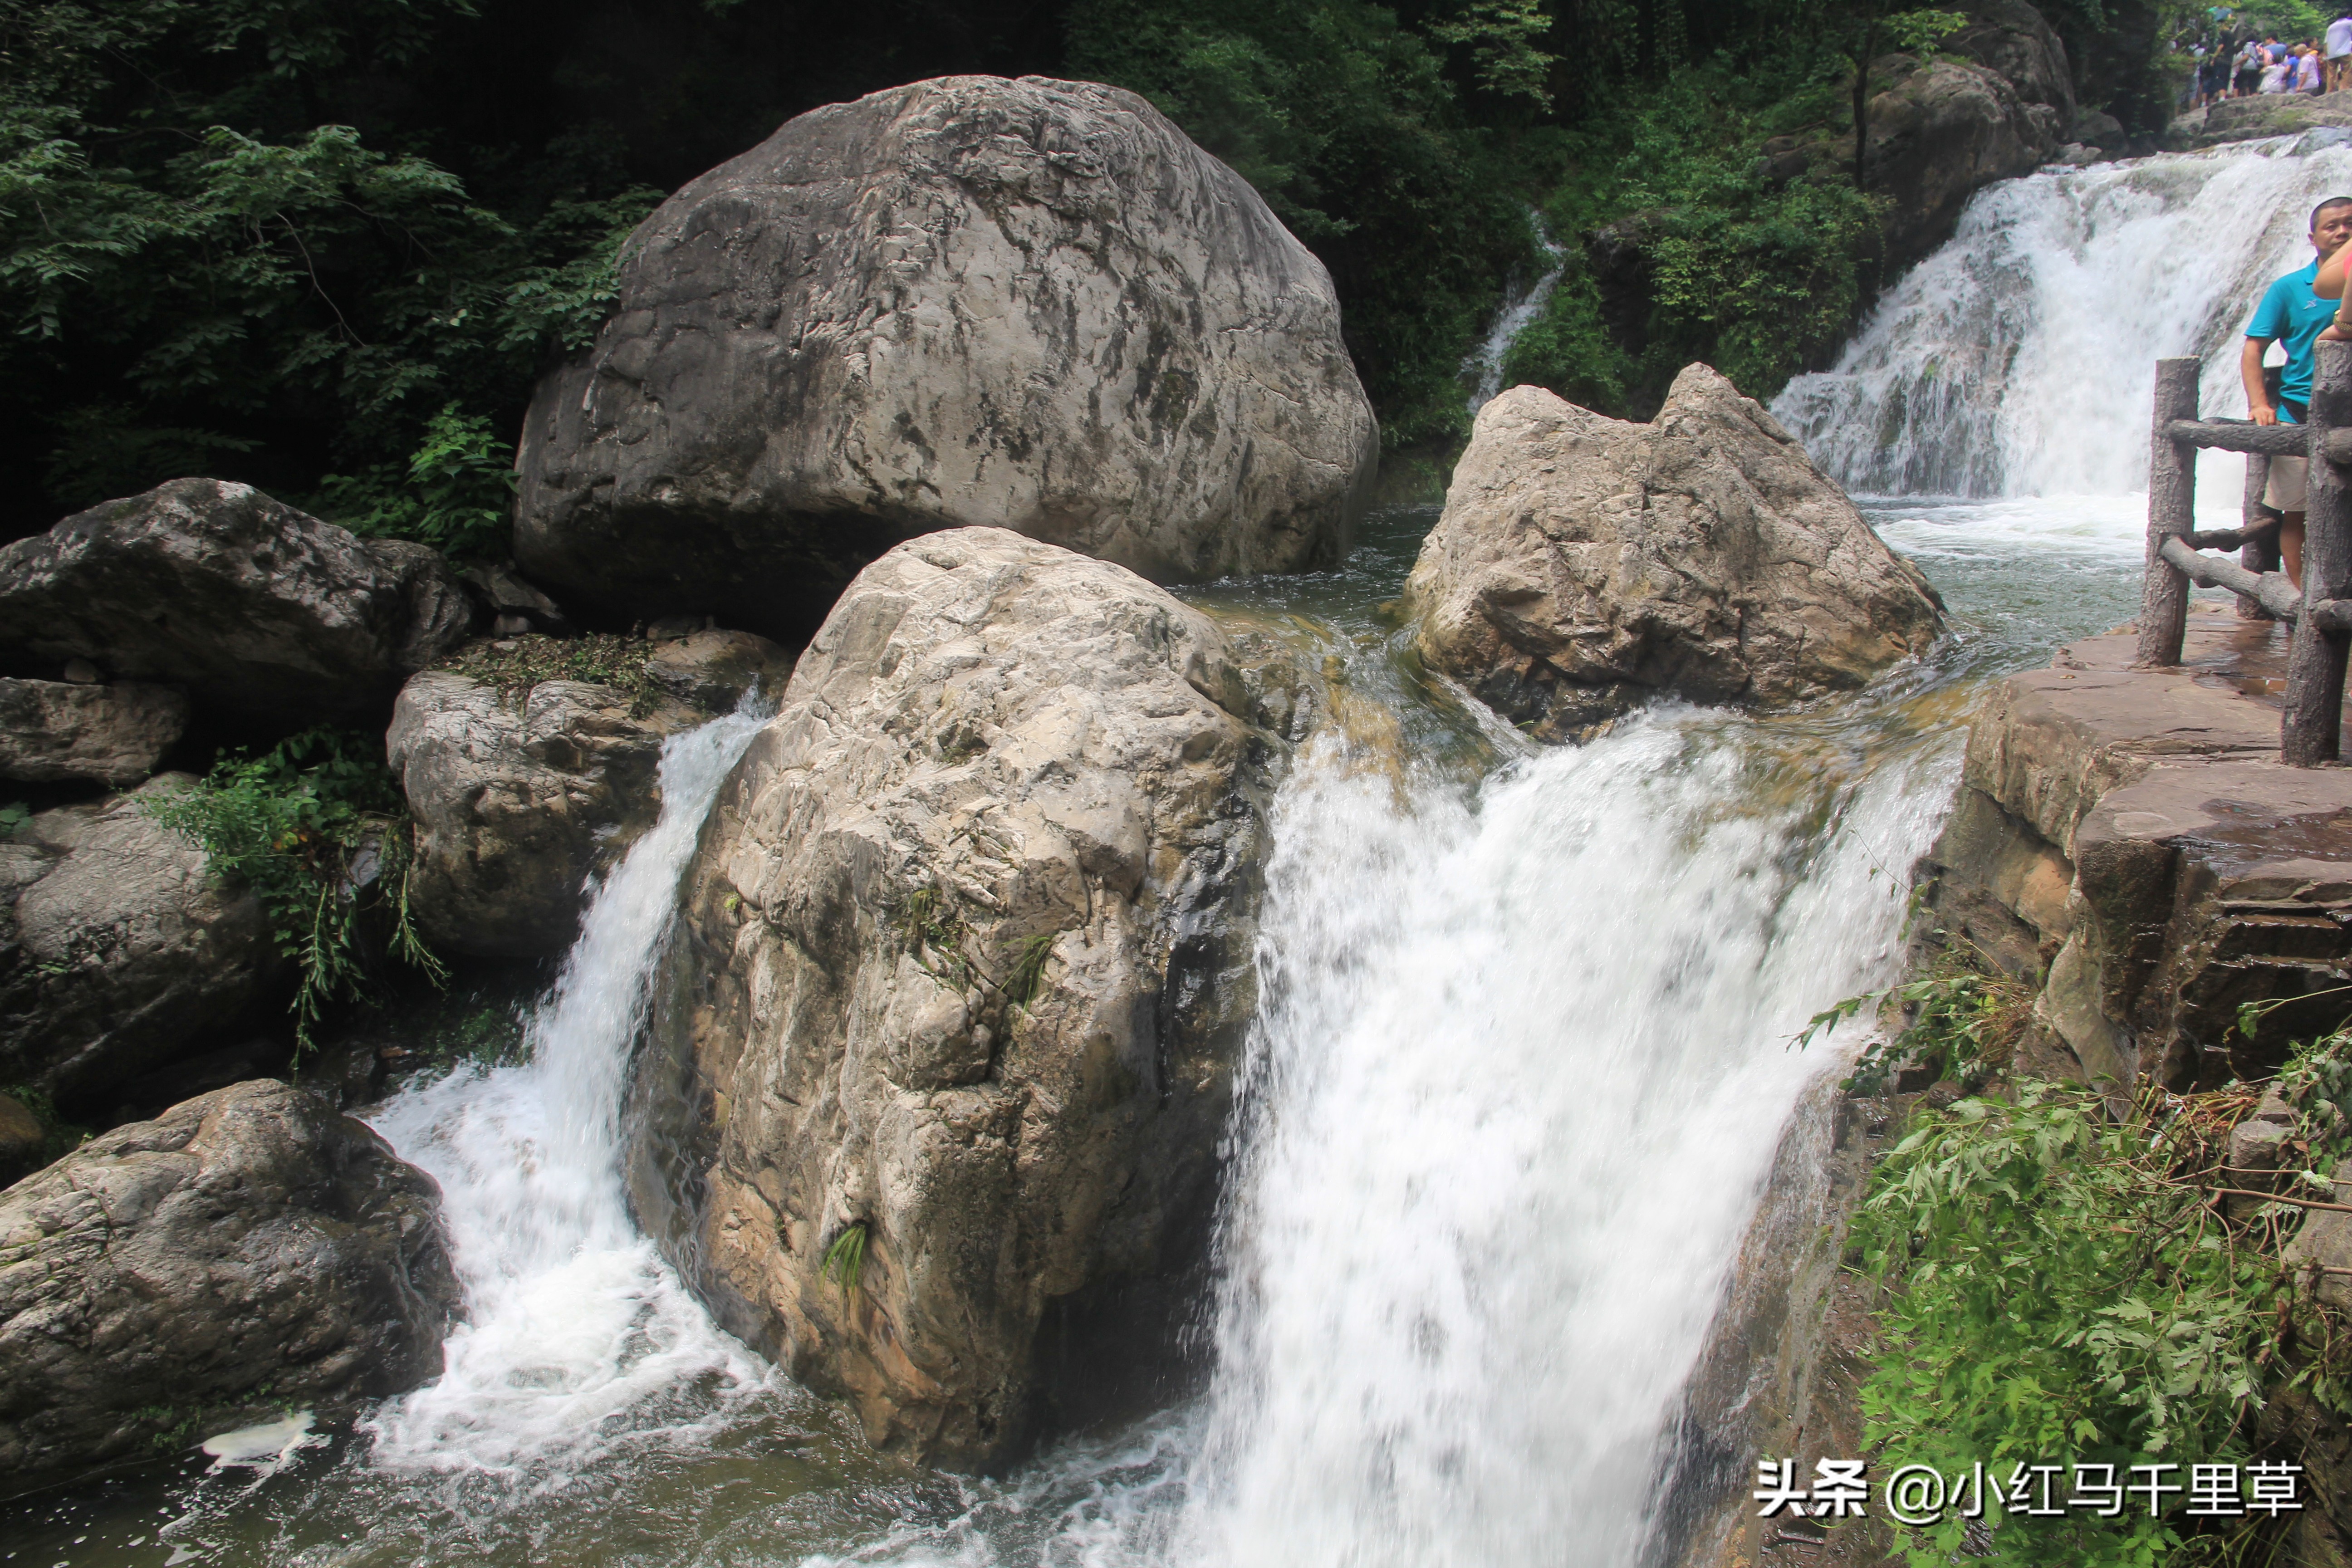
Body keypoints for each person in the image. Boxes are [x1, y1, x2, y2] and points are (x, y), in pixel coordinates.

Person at [2244, 197, 2352, 586]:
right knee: (2297, 513)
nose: (2343, 232)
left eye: (2350, 224)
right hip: (2300, 412)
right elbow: (2254, 346)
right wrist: (2259, 403)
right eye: (2332, 226)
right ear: (2313, 237)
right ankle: (2306, 604)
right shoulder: (2290, 288)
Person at [2330, 11, 2352, 90]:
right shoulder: (2349, 23)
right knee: (2347, 71)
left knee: (2332, 74)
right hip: (2345, 51)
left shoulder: (2332, 26)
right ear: (2348, 15)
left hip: (2332, 51)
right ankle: (2346, 90)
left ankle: (2330, 91)